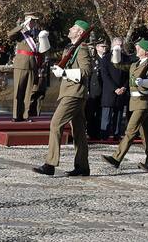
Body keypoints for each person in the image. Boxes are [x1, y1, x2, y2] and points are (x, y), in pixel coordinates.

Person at [34, 20, 96, 177]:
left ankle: (50, 164)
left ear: (80, 33)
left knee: (55, 124)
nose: (69, 28)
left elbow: (87, 71)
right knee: (79, 131)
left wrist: (65, 73)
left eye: (73, 28)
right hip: (72, 92)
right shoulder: (72, 48)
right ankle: (83, 166)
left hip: (74, 93)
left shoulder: (81, 49)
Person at [104, 38, 148, 174]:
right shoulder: (135, 64)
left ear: (146, 52)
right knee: (146, 133)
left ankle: (116, 158)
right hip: (134, 102)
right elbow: (118, 65)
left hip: (143, 101)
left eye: (139, 48)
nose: (137, 49)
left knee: (130, 131)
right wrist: (116, 52)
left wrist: (145, 82)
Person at [11, 15, 48, 122]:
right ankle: (16, 115)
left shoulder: (37, 33)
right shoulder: (20, 32)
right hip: (21, 64)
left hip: (33, 64)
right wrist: (22, 25)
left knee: (29, 92)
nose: (33, 23)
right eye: (31, 21)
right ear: (27, 21)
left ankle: (25, 115)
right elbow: (10, 34)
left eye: (34, 21)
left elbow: (42, 49)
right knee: (19, 90)